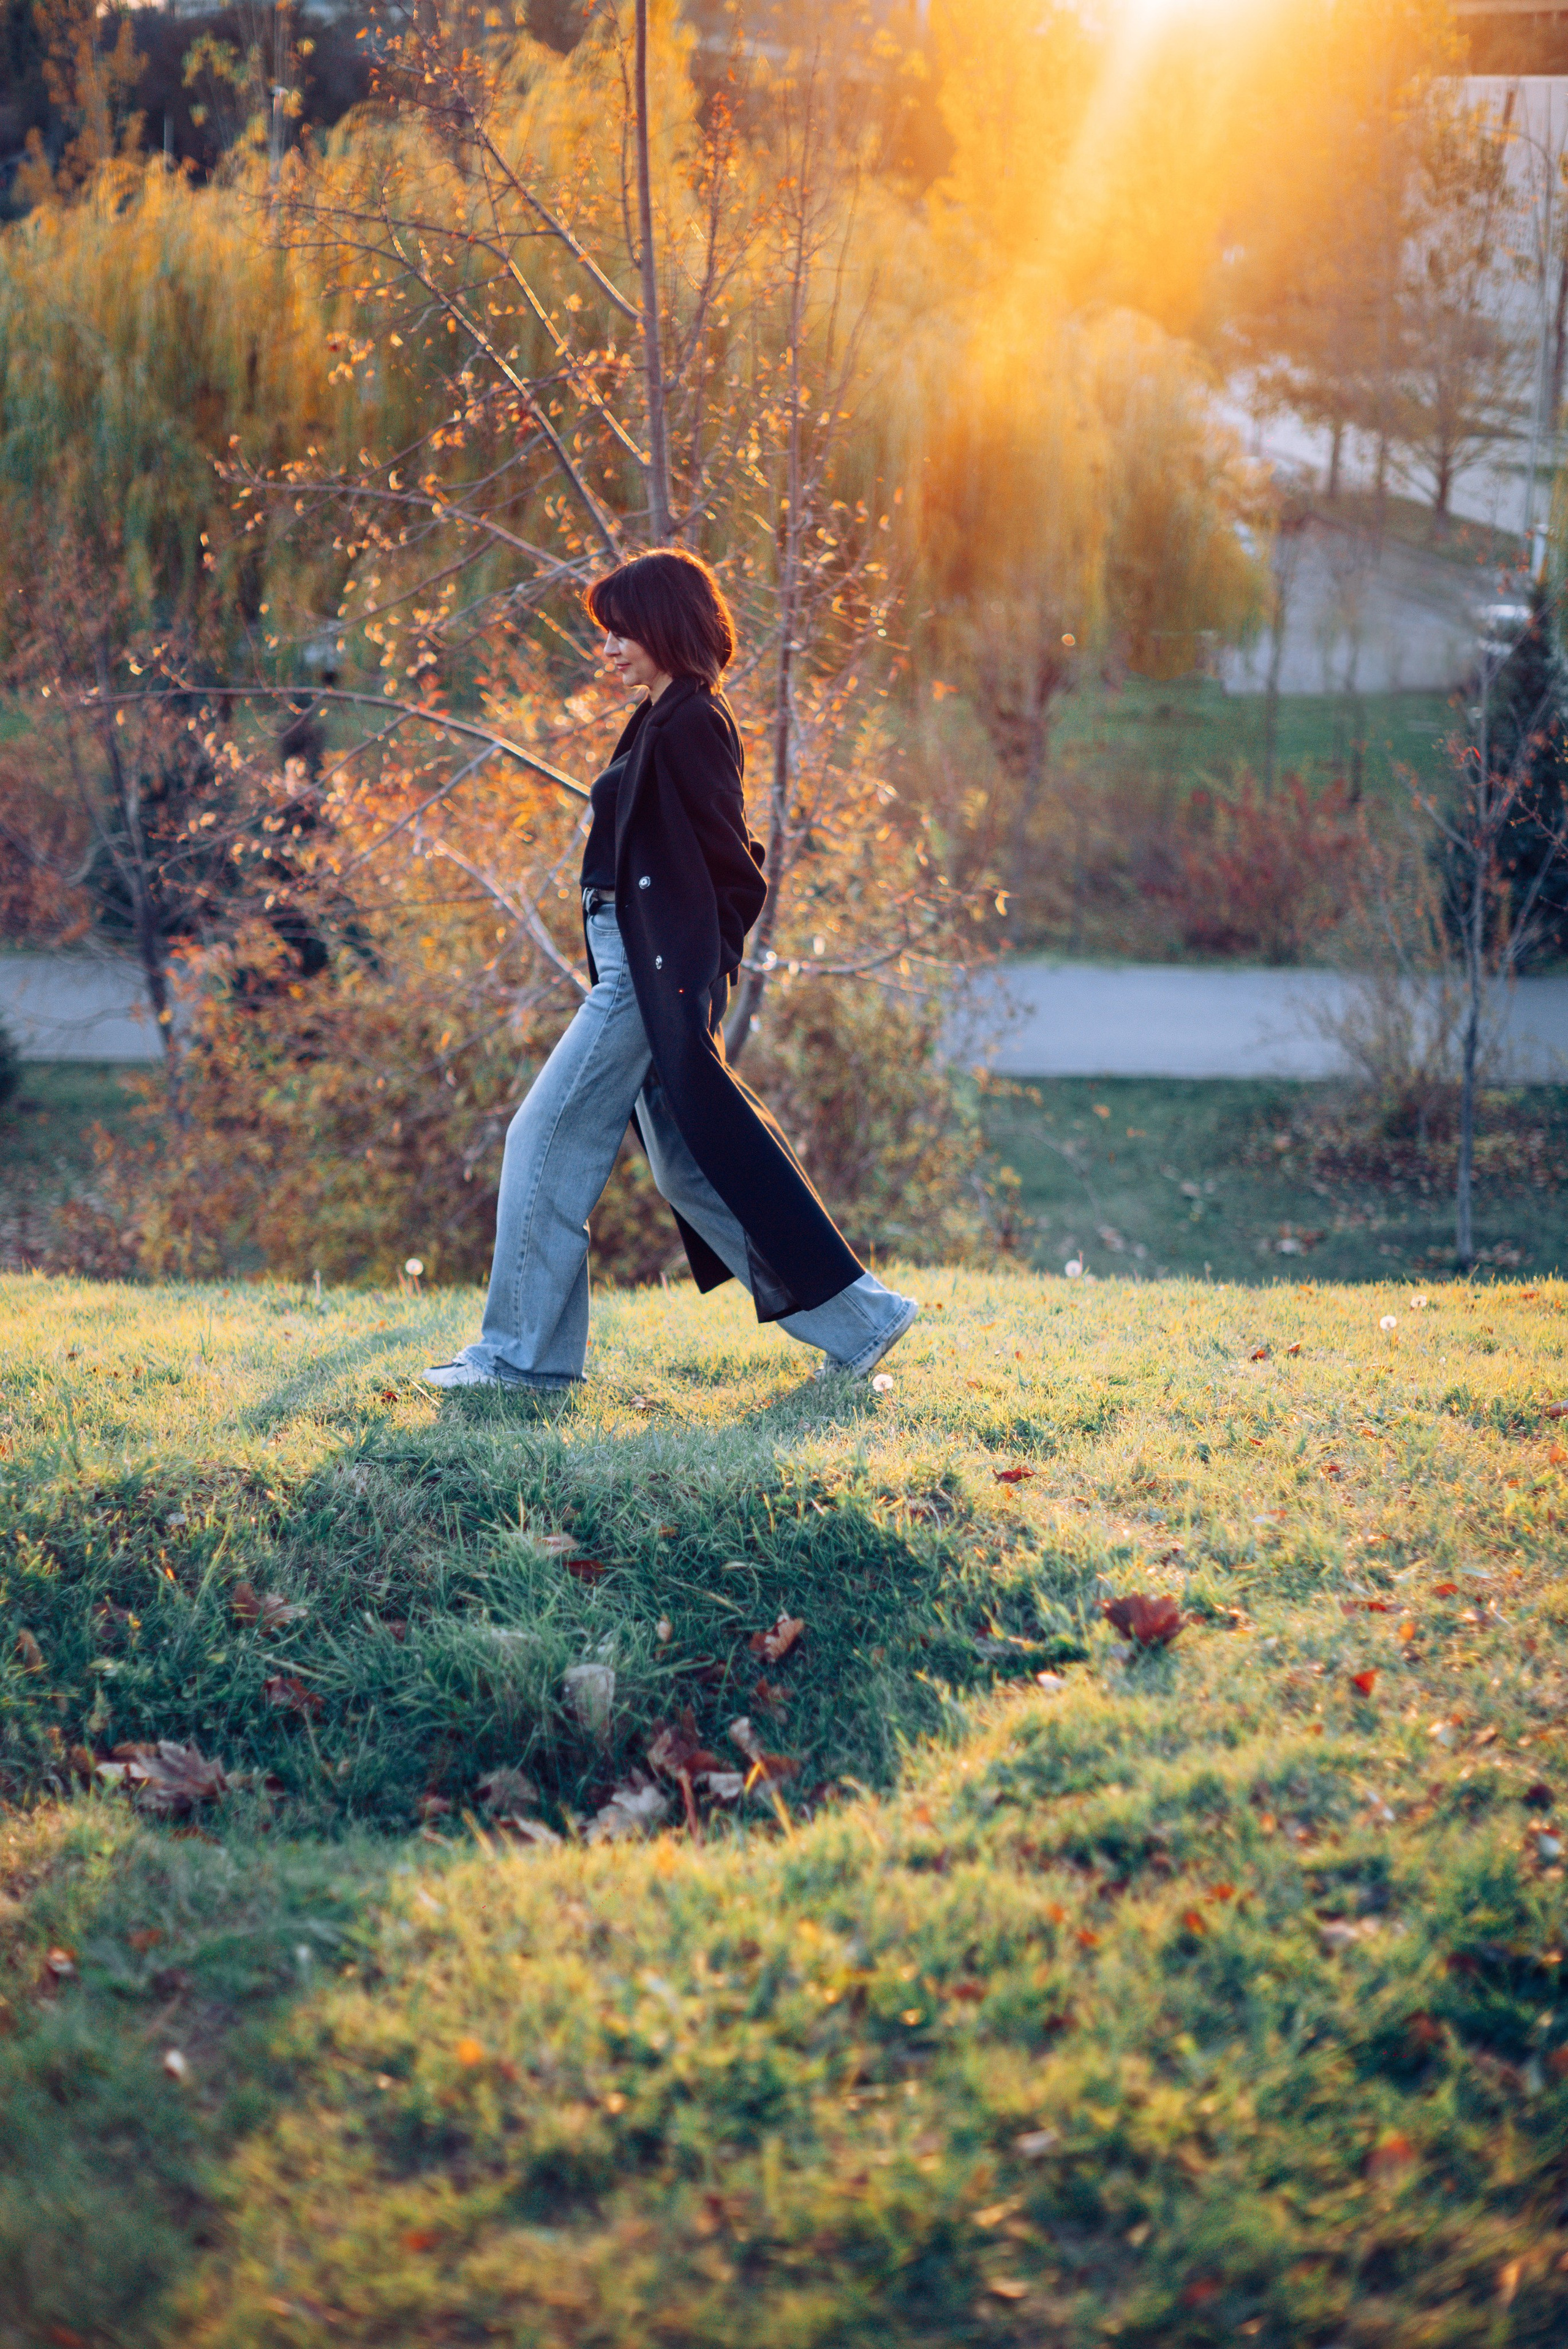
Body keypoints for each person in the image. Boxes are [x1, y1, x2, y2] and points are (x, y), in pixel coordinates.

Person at [423, 547, 918, 1391]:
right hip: (635, 968)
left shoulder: (694, 720)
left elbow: (738, 866)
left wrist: (692, 975)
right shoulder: (658, 714)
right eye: (606, 633)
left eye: (622, 631)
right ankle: (863, 1321)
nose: (609, 648)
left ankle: (520, 1361)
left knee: (542, 1137)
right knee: (691, 1172)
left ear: (666, 626)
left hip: (645, 977)